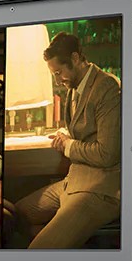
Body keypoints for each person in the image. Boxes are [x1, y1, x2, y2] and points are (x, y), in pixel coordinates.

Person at [13, 32, 120, 249]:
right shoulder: (74, 87)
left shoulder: (107, 87)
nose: (57, 80)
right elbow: (85, 129)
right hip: (72, 182)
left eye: (58, 72)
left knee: (37, 250)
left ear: (75, 58)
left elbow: (107, 153)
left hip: (99, 190)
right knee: (15, 215)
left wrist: (69, 145)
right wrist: (67, 134)